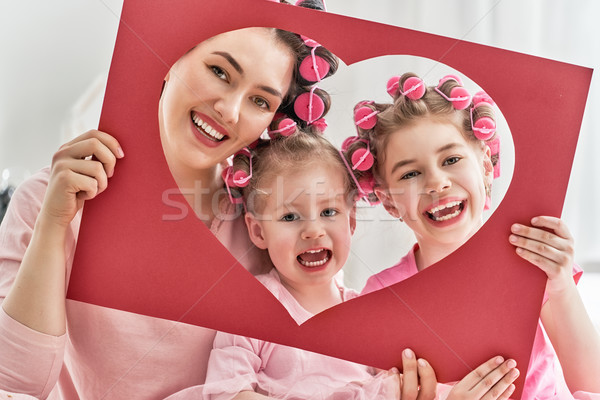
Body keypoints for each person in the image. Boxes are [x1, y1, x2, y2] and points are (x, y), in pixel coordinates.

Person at [0, 1, 342, 398]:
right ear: (170, 54)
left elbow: (321, 376)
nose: (229, 111)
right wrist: (53, 224)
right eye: (219, 72)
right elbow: (15, 383)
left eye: (261, 101)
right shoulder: (49, 200)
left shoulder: (274, 224)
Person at [164, 127, 520, 400]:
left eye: (329, 212)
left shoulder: (368, 311)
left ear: (351, 223)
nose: (313, 231)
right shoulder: (253, 306)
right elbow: (226, 390)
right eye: (290, 217)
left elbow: (403, 384)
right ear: (258, 232)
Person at [343, 72, 600, 399]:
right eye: (410, 173)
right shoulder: (380, 296)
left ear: (486, 168)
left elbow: (591, 387)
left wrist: (561, 285)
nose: (437, 183)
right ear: (388, 201)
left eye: (451, 159)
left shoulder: (531, 261)